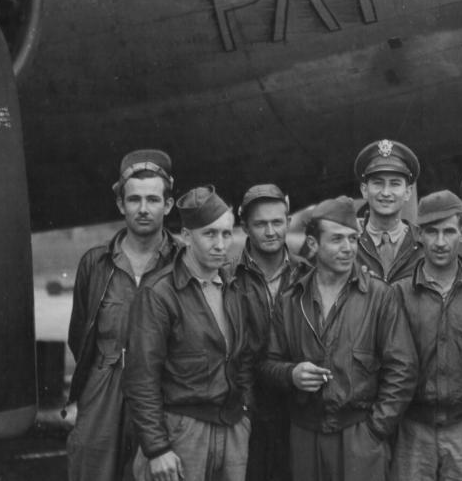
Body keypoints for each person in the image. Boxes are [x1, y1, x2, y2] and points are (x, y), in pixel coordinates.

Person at [261, 196, 417, 481]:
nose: (348, 249)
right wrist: (290, 374)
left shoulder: (379, 297)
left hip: (359, 434)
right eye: (336, 240)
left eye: (353, 239)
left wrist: (376, 430)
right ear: (313, 245)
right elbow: (267, 364)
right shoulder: (291, 300)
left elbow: (403, 370)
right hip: (305, 436)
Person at [125, 186, 255, 481]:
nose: (220, 244)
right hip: (182, 431)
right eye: (210, 234)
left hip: (232, 426)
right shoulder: (159, 293)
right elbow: (141, 379)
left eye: (226, 233)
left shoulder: (232, 286)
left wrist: (245, 415)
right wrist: (157, 449)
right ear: (186, 236)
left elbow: (242, 358)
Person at [66, 149, 179, 481]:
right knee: (90, 466)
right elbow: (80, 334)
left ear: (168, 206)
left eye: (153, 200)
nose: (143, 209)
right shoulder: (95, 262)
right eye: (134, 200)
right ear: (121, 205)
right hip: (104, 385)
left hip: (163, 387)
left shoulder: (183, 260)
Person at [391, 190, 462, 481]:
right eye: (431, 232)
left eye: (449, 232)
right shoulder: (398, 293)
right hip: (413, 426)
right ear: (419, 235)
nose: (440, 242)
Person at [234, 184, 309, 481]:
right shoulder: (229, 276)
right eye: (260, 224)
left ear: (288, 222)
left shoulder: (308, 273)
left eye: (277, 222)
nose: (270, 231)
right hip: (246, 407)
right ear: (245, 227)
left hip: (296, 405)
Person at [354, 139, 423, 282]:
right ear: (364, 190)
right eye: (378, 183)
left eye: (395, 184)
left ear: (408, 192)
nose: (386, 192)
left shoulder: (424, 243)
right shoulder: (350, 244)